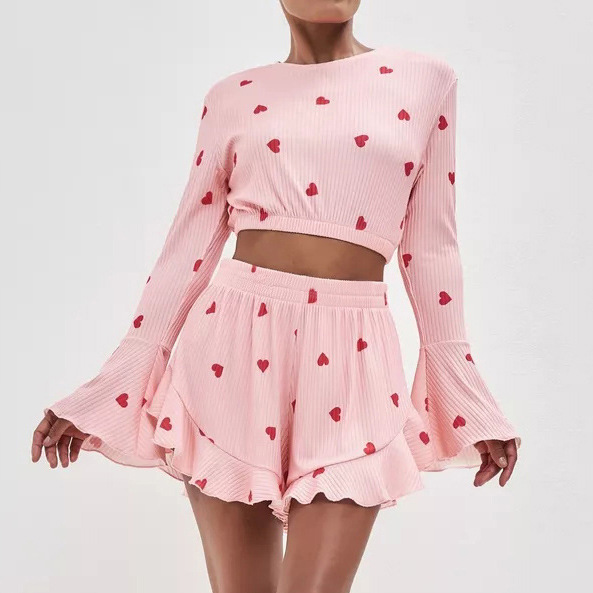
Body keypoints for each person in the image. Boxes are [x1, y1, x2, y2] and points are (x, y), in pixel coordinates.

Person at [31, 1, 521, 591]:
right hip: (232, 352)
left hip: (354, 361)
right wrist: (114, 384)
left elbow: (434, 245)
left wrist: (464, 391)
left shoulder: (425, 80)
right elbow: (187, 250)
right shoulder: (232, 96)